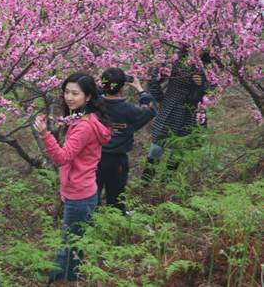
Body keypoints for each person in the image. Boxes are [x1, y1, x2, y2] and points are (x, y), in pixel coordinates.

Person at [33, 73, 111, 284]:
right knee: (73, 242)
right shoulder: (85, 118)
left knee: (69, 245)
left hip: (80, 194)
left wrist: (44, 135)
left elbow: (62, 157)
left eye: (75, 93)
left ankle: (59, 280)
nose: (69, 97)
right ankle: (65, 279)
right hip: (81, 190)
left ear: (88, 97)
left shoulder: (84, 125)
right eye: (66, 92)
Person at [142, 51, 210, 180]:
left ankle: (166, 185)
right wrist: (161, 99)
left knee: (179, 150)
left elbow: (214, 89)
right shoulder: (176, 59)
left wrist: (202, 83)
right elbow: (152, 79)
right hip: (170, 110)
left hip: (192, 113)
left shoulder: (208, 64)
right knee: (157, 146)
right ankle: (145, 184)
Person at [98, 68, 157, 212]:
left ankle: (92, 222)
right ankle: (116, 221)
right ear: (123, 86)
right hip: (117, 159)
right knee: (116, 195)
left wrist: (100, 88)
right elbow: (151, 110)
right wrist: (140, 89)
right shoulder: (129, 109)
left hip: (94, 157)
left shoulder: (95, 106)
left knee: (93, 192)